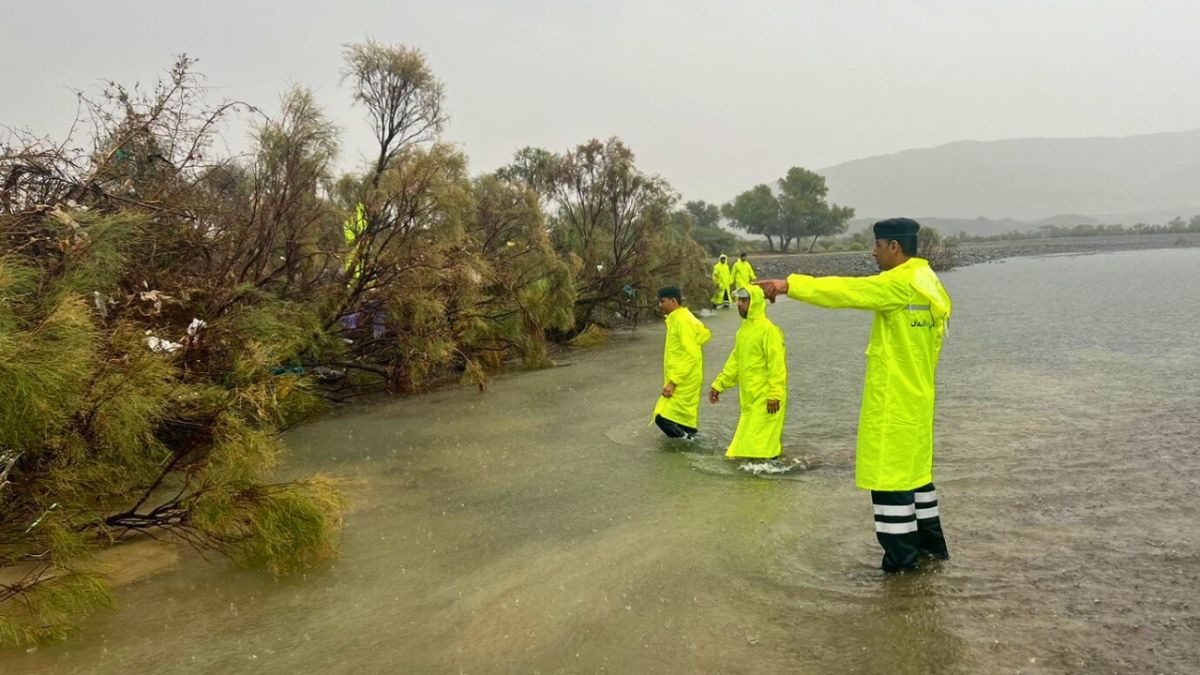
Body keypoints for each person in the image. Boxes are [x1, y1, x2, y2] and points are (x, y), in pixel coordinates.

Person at [756, 217, 952, 573]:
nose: (873, 252)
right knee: (918, 482)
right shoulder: (930, 284)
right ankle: (934, 559)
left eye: (877, 245)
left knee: (890, 483)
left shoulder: (900, 285)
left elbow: (847, 291)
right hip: (919, 401)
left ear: (895, 247)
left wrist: (789, 285)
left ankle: (902, 572)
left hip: (893, 405)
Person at [708, 285, 787, 459]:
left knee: (758, 451)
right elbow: (735, 362)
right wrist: (719, 384)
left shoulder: (769, 331)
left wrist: (774, 394)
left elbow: (777, 366)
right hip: (749, 400)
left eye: (744, 300)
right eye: (738, 300)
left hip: (766, 399)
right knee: (742, 452)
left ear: (756, 302)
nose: (739, 304)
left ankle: (766, 484)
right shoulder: (743, 332)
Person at [652, 286, 712, 438]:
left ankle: (687, 443)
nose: (660, 305)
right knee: (682, 419)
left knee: (663, 418)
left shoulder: (682, 321)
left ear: (673, 301)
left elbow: (691, 355)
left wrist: (673, 382)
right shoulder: (678, 318)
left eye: (662, 301)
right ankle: (690, 440)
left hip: (684, 378)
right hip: (686, 376)